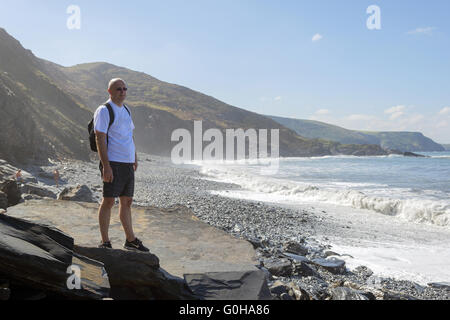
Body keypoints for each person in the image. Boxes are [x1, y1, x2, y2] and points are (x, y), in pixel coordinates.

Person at [93, 78, 149, 252]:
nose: (123, 92)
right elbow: (99, 138)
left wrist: (135, 156)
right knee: (108, 201)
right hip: (113, 162)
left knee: (127, 201)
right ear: (110, 91)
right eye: (119, 89)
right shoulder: (104, 110)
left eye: (125, 89)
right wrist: (106, 166)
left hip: (127, 163)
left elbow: (129, 135)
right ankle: (105, 241)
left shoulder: (126, 109)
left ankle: (130, 240)